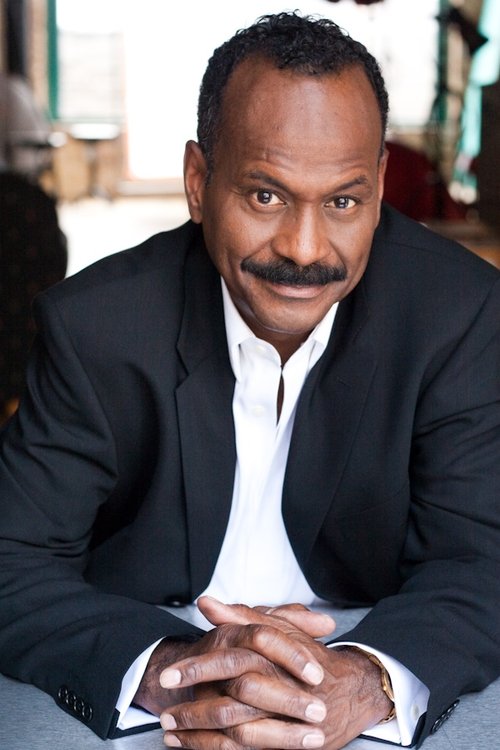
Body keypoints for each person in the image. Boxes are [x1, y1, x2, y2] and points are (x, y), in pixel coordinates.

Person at [0, 11, 499, 750]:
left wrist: (366, 680)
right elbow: (13, 559)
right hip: (152, 698)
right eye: (266, 195)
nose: (305, 249)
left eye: (343, 201)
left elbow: (482, 559)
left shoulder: (457, 312)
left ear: (379, 187)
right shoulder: (97, 326)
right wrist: (172, 669)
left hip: (372, 676)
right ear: (198, 182)